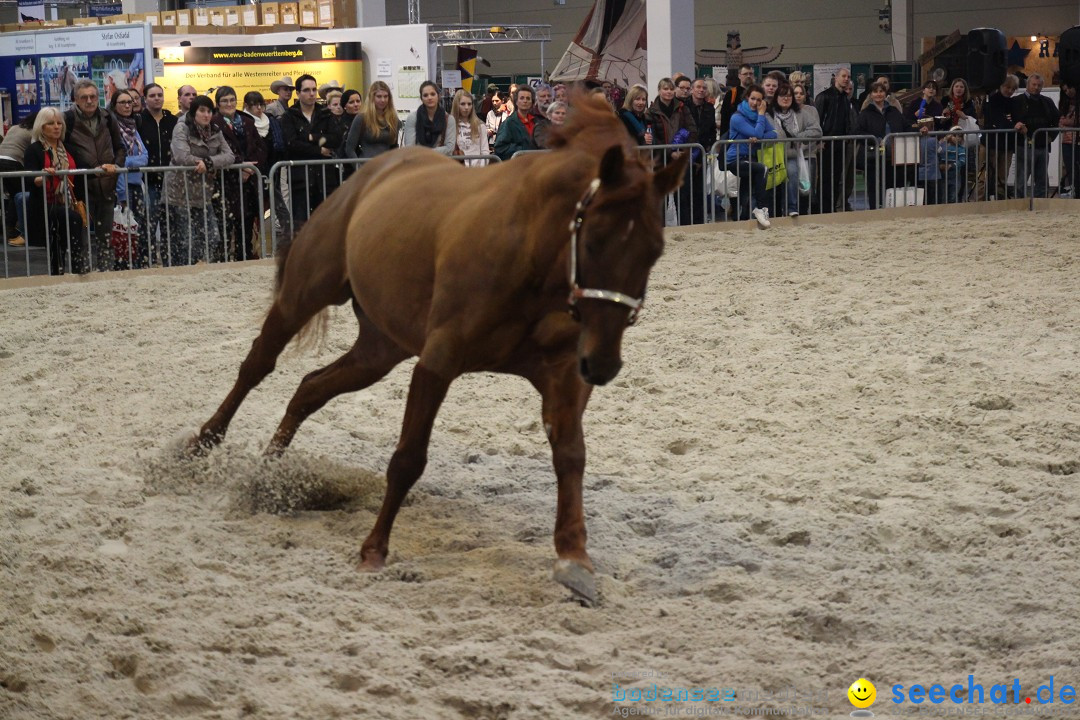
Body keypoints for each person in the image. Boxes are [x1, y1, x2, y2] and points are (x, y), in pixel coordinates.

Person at [63, 78, 125, 272]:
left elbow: (120, 147)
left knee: (105, 236)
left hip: (107, 185)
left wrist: (116, 166)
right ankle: (82, 274)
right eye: (84, 97)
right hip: (82, 186)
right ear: (76, 99)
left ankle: (106, 272)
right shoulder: (67, 119)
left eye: (92, 96)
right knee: (81, 236)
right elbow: (64, 149)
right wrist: (88, 167)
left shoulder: (107, 117)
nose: (89, 101)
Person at [166, 95, 234, 266]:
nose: (206, 115)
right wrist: (200, 163)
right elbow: (181, 156)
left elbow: (229, 155)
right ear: (193, 112)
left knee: (212, 236)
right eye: (202, 111)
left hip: (203, 193)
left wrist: (209, 163)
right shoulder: (181, 128)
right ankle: (183, 272)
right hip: (179, 193)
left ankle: (203, 266)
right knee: (185, 241)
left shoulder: (215, 130)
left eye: (209, 111)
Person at [24, 108, 87, 274]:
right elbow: (30, 178)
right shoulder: (34, 149)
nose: (56, 127)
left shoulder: (68, 148)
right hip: (44, 204)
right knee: (64, 229)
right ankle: (69, 268)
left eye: (59, 123)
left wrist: (102, 168)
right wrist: (43, 176)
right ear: (41, 127)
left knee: (68, 226)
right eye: (51, 123)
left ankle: (74, 267)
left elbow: (82, 170)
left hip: (66, 201)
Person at [213, 85, 266, 260]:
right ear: (218, 104)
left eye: (232, 100)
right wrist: (239, 166)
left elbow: (260, 148)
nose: (229, 104)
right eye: (225, 101)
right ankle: (223, 260)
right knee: (225, 226)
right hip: (226, 181)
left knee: (246, 224)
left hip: (248, 182)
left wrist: (249, 169)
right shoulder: (214, 123)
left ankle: (244, 257)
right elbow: (216, 151)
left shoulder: (247, 121)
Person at [280, 74, 332, 227]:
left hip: (323, 178)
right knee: (301, 224)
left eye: (314, 89)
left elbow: (334, 138)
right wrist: (319, 150)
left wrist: (311, 138)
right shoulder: (289, 116)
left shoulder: (325, 113)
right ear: (298, 93)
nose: (312, 93)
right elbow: (292, 143)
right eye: (307, 90)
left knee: (324, 223)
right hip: (300, 179)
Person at [648, 76, 698, 225]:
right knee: (660, 199)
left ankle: (685, 229)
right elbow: (653, 138)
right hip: (660, 160)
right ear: (659, 90)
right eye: (665, 89)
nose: (668, 92)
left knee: (683, 198)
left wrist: (682, 151)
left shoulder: (683, 109)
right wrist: (670, 152)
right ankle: (660, 229)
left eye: (671, 89)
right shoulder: (651, 112)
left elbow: (692, 130)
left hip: (680, 161)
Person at [136, 82, 176, 265]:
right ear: (145, 99)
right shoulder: (139, 120)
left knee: (170, 224)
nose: (157, 98)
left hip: (171, 180)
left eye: (159, 94)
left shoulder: (172, 120)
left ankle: (170, 262)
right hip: (148, 181)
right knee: (148, 224)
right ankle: (147, 261)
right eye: (152, 95)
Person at [109, 89, 149, 269]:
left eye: (130, 102)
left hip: (135, 185)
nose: (127, 105)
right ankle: (122, 267)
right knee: (122, 231)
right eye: (123, 102)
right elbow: (117, 160)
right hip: (121, 188)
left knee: (137, 229)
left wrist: (128, 162)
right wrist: (122, 195)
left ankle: (137, 265)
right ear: (114, 105)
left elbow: (145, 157)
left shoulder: (133, 126)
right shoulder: (112, 127)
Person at [725, 83, 774, 228]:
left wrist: (758, 135)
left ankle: (743, 218)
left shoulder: (760, 117)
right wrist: (760, 116)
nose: (755, 103)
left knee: (746, 188)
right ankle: (761, 208)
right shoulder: (737, 117)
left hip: (750, 157)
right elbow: (758, 133)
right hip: (736, 159)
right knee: (762, 169)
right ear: (747, 98)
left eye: (759, 100)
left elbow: (774, 134)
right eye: (753, 99)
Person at [771, 82, 823, 216]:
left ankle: (791, 208)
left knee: (793, 173)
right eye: (782, 95)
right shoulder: (769, 114)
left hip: (791, 155)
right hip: (772, 156)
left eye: (789, 96)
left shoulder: (801, 114)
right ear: (776, 97)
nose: (786, 98)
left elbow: (817, 130)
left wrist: (798, 137)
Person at [854, 81, 904, 210]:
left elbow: (905, 126)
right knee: (874, 187)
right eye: (875, 91)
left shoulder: (893, 111)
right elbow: (857, 131)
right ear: (871, 94)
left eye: (881, 91)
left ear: (885, 93)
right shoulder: (865, 113)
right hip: (873, 157)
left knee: (892, 185)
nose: (878, 94)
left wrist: (920, 130)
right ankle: (875, 211)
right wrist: (874, 139)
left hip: (892, 157)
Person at [814, 67, 855, 213]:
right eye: (843, 76)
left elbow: (846, 120)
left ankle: (831, 208)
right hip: (826, 143)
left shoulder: (845, 98)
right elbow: (817, 120)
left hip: (841, 143)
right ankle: (822, 209)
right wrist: (819, 141)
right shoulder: (823, 96)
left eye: (848, 77)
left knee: (837, 178)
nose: (846, 79)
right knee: (825, 178)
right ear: (836, 77)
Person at [1011, 73, 1059, 199]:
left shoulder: (1047, 102)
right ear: (1027, 84)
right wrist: (1016, 125)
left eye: (1039, 85)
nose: (1036, 87)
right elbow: (1010, 121)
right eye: (1033, 84)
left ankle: (1041, 204)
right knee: (1021, 179)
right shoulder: (1016, 101)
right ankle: (1018, 204)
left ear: (1042, 86)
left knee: (1042, 180)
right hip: (1023, 146)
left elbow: (1057, 119)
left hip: (1043, 147)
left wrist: (1051, 137)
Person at [975, 74, 1019, 201]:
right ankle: (980, 201)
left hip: (1006, 145)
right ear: (1001, 86)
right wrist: (1012, 124)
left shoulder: (1012, 102)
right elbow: (999, 120)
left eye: (1013, 89)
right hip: (990, 143)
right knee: (983, 176)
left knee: (1002, 176)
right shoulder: (992, 100)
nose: (1010, 91)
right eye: (1007, 87)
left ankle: (1001, 201)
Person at [1, 112, 37, 247]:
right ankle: (21, 231)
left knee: (14, 195)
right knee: (20, 195)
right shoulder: (33, 131)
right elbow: (34, 149)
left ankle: (10, 228)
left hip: (1, 160)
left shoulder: (14, 127)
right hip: (13, 162)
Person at [343, 80, 400, 161]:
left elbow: (394, 146)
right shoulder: (361, 118)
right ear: (372, 97)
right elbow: (349, 148)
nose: (383, 100)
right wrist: (358, 167)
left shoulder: (393, 119)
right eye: (379, 96)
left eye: (386, 96)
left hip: (387, 167)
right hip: (367, 166)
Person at [494, 85, 548, 161]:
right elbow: (500, 148)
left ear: (532, 102)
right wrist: (523, 150)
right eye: (522, 98)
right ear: (516, 101)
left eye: (528, 98)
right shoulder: (509, 123)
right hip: (519, 166)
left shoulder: (537, 121)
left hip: (537, 164)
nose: (525, 101)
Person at [402, 81, 455, 154]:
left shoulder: (449, 119)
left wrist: (424, 152)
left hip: (441, 162)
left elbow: (449, 148)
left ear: (438, 96)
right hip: (419, 163)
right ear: (421, 98)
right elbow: (410, 148)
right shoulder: (412, 118)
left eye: (433, 94)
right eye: (425, 95)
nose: (429, 98)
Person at [448, 88, 491, 165]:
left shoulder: (480, 125)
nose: (466, 107)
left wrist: (480, 169)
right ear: (456, 105)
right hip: (458, 170)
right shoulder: (450, 126)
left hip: (477, 171)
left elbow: (485, 151)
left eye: (469, 104)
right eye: (463, 104)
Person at [719, 64, 755, 140]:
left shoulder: (758, 93)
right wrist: (723, 139)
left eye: (750, 74)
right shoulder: (731, 94)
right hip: (735, 136)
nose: (748, 76)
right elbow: (725, 118)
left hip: (754, 135)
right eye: (745, 74)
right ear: (739, 76)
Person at [1058, 83, 1078, 197]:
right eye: (1065, 91)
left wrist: (1068, 123)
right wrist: (1071, 123)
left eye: (1069, 88)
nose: (1068, 92)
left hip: (1077, 141)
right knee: (1070, 167)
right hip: (1067, 141)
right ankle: (1072, 190)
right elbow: (1060, 122)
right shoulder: (1063, 104)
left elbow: (1075, 121)